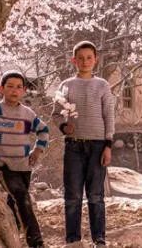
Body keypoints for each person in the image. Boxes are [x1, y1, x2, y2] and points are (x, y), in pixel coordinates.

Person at [0, 70, 49, 248]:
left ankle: (12, 238)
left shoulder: (27, 114)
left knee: (14, 202)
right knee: (22, 198)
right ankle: (36, 242)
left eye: (18, 87)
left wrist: (38, 150)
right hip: (2, 165)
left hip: (23, 166)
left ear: (23, 91)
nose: (14, 91)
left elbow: (43, 130)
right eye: (9, 87)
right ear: (1, 89)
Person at [53, 41, 116, 248]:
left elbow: (109, 115)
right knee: (72, 195)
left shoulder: (103, 85)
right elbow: (56, 114)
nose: (85, 61)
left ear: (95, 60)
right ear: (73, 60)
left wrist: (108, 144)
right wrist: (64, 127)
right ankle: (73, 240)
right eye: (80, 58)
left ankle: (99, 239)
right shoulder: (66, 85)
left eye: (89, 57)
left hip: (98, 145)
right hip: (74, 146)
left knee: (96, 195)